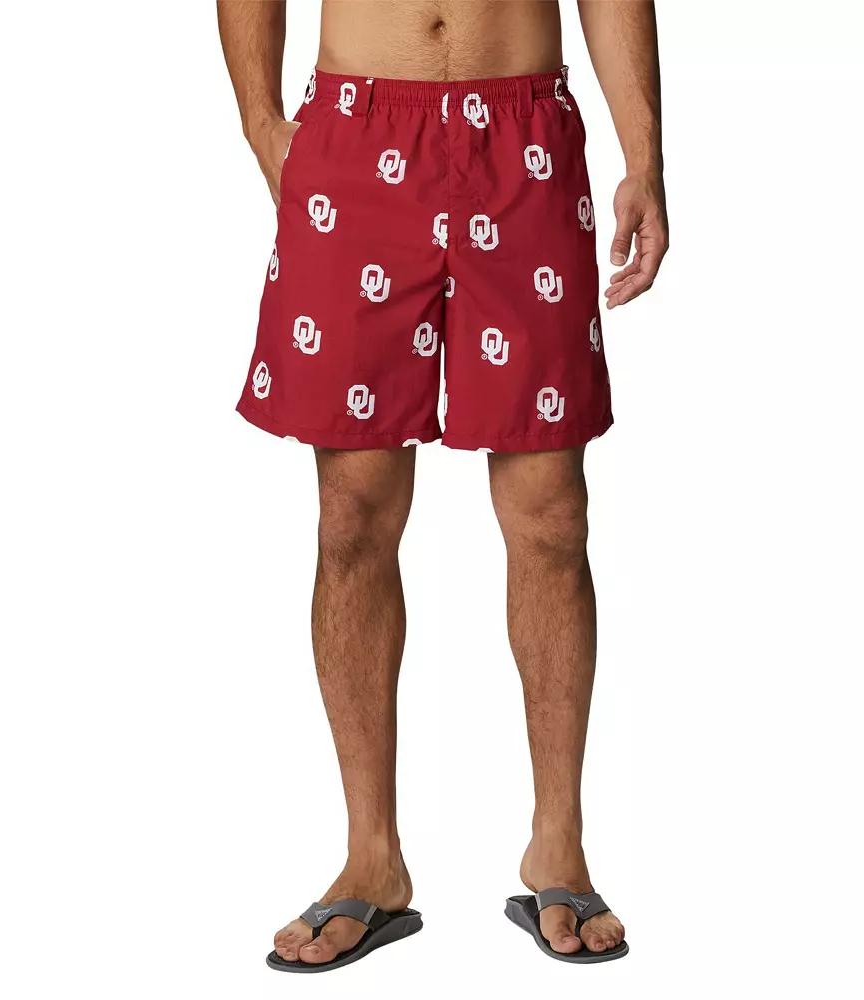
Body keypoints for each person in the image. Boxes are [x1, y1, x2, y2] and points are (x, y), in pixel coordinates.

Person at [217, 0, 667, 971]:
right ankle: (371, 857)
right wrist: (260, 122)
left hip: (523, 138)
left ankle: (558, 843)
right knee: (352, 514)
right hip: (357, 129)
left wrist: (645, 155)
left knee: (552, 515)